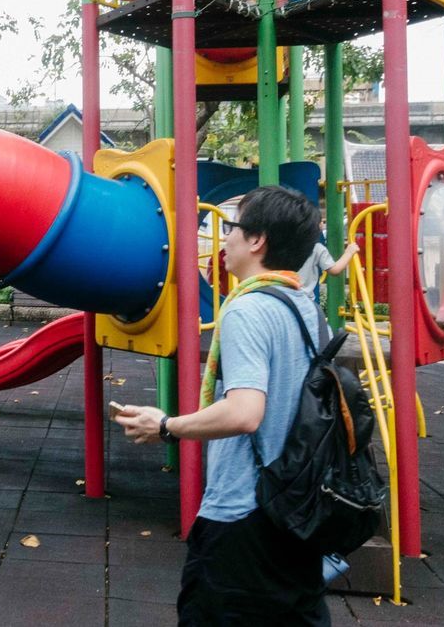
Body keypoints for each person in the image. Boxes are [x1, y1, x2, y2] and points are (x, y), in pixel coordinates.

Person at [115, 185, 330, 625]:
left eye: (231, 227)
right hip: (297, 505)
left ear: (257, 240)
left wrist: (166, 426)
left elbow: (245, 412)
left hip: (245, 513)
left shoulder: (248, 310)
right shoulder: (306, 306)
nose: (224, 238)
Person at [297, 226, 359, 298]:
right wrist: (349, 252)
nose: (322, 224)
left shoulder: (283, 245)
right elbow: (335, 270)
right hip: (304, 299)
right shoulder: (316, 248)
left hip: (283, 296)